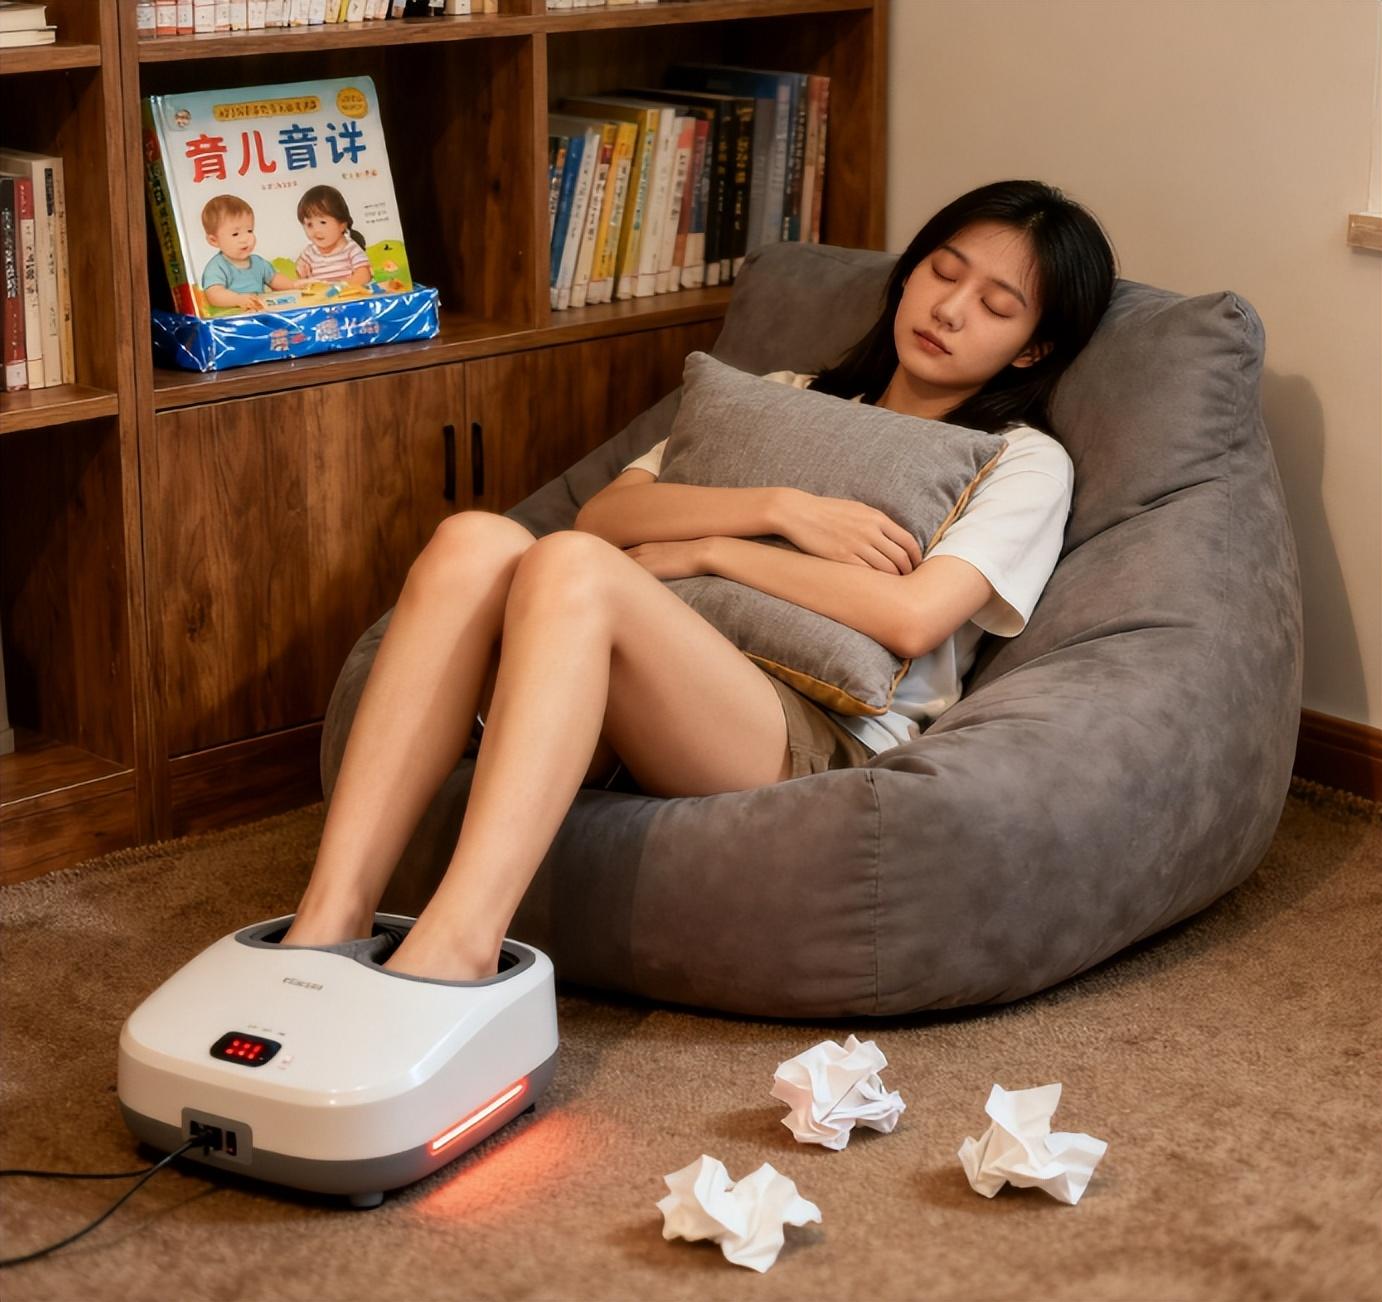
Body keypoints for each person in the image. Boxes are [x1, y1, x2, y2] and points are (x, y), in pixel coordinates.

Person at [278, 179, 1117, 982]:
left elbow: (912, 616)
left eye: (996, 306)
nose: (950, 309)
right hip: (642, 688)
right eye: (942, 271)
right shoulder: (785, 398)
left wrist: (713, 551)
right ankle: (328, 919)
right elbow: (606, 516)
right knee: (472, 540)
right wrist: (781, 508)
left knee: (570, 566)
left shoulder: (1022, 460)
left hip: (807, 733)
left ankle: (456, 947)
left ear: (1032, 346)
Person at [200, 194, 304, 312]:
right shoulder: (217, 267)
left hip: (258, 310)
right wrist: (238, 299)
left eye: (249, 231)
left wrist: (294, 285)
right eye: (235, 234)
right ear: (214, 240)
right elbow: (214, 295)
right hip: (233, 314)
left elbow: (274, 279)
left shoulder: (257, 262)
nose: (246, 238)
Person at [294, 185, 374, 286]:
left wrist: (345, 287)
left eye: (323, 222)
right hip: (321, 294)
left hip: (345, 293)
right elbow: (300, 269)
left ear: (342, 225)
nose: (316, 230)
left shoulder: (350, 249)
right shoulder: (310, 252)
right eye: (309, 224)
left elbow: (364, 274)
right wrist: (301, 270)